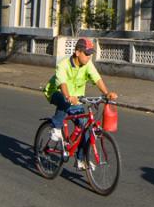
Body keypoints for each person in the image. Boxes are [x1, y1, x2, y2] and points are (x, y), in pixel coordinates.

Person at [43, 37, 117, 168]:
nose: (89, 57)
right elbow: (62, 83)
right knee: (64, 101)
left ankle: (80, 159)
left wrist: (107, 94)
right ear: (77, 52)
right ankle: (56, 127)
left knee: (84, 127)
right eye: (86, 54)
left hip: (77, 99)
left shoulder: (88, 65)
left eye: (90, 54)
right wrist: (68, 96)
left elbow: (97, 78)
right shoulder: (63, 64)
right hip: (57, 92)